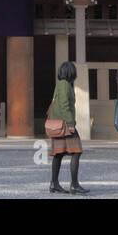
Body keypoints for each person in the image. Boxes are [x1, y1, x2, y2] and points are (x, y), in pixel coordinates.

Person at [46, 61, 88, 194]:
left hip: (58, 124)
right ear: (71, 72)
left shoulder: (61, 85)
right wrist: (70, 124)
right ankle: (74, 184)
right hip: (64, 124)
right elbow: (64, 105)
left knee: (58, 154)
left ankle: (54, 184)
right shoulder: (65, 85)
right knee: (77, 151)